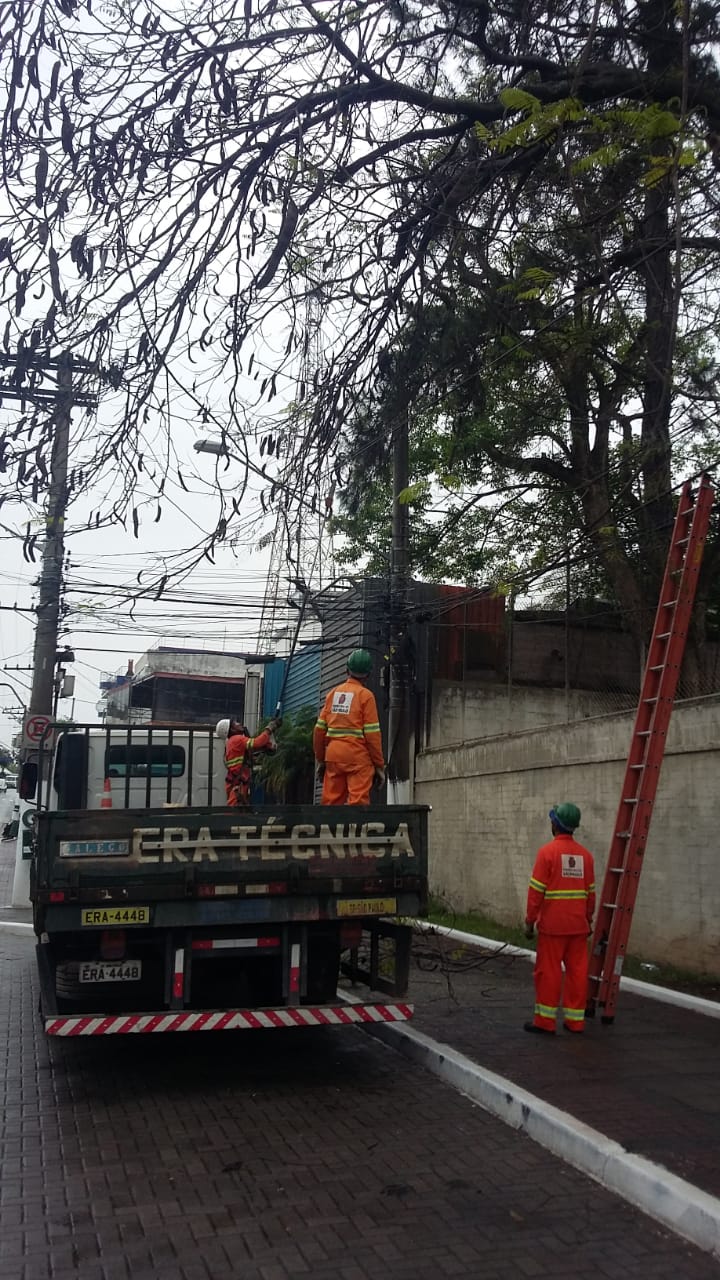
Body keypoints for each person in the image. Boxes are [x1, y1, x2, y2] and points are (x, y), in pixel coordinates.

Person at [524, 803, 596, 1035]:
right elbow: (590, 894)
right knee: (577, 973)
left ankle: (545, 1022)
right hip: (578, 927)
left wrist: (529, 921)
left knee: (549, 972)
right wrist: (588, 920)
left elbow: (536, 893)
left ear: (555, 824)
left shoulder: (547, 853)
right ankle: (575, 1022)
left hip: (553, 927)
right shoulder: (586, 856)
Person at [313, 649, 385, 805]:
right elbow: (373, 736)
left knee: (330, 806)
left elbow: (319, 731)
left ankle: (329, 828)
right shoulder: (366, 696)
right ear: (368, 674)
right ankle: (356, 828)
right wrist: (379, 765)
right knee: (358, 806)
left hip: (333, 757)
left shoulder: (333, 694)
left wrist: (321, 759)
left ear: (347, 669)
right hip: (358, 759)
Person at [215, 716, 278, 807]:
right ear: (231, 729)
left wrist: (266, 746)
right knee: (233, 811)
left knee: (239, 809)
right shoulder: (237, 739)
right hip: (238, 783)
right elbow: (257, 742)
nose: (239, 724)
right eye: (235, 724)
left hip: (236, 782)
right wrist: (269, 729)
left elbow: (252, 751)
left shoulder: (233, 742)